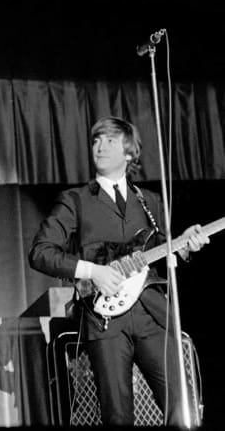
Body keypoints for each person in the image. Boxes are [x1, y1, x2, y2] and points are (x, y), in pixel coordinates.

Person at [29, 116, 208, 426]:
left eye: (109, 141)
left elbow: (165, 251)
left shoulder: (150, 201)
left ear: (129, 153)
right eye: (96, 140)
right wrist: (92, 271)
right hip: (104, 319)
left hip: (152, 314)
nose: (99, 146)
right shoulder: (75, 200)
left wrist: (186, 246)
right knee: (117, 413)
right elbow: (41, 253)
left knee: (183, 407)